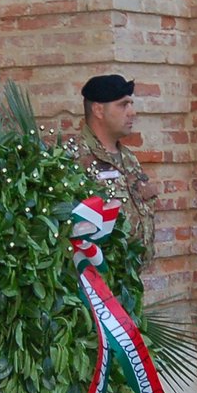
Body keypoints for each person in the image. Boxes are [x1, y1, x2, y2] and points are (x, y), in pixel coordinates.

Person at [73, 74, 159, 266]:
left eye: (131, 104)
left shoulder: (128, 159)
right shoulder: (74, 159)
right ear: (98, 110)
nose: (132, 112)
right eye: (123, 105)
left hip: (130, 282)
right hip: (94, 283)